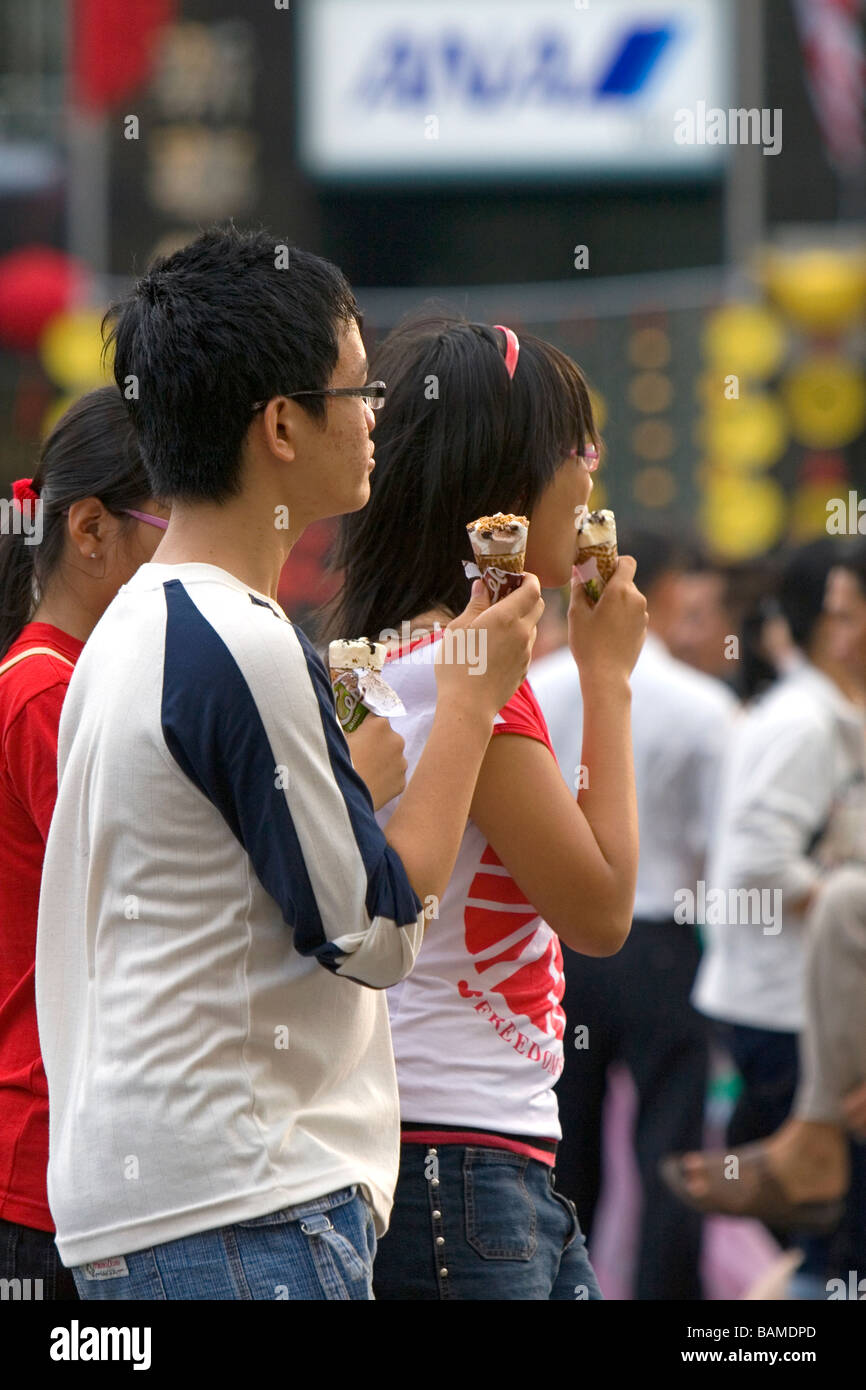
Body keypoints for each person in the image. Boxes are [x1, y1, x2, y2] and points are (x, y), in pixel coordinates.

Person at [34, 228, 541, 1302]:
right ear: (279, 423)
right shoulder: (242, 641)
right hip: (240, 1205)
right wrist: (467, 706)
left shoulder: (136, 623)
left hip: (161, 1205)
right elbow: (377, 931)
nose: (377, 418)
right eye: (355, 391)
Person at [325, 312, 648, 1300]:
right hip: (463, 1165)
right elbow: (598, 910)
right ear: (505, 488)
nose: (590, 475)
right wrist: (606, 679)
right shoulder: (466, 681)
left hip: (468, 1155)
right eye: (577, 448)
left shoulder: (407, 662)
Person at [532, 524, 738, 1300]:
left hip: (562, 947)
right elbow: (723, 849)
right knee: (671, 1153)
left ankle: (563, 1288)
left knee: (563, 1151)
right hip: (663, 944)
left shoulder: (538, 687)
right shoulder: (705, 705)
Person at [0, 387, 170, 1299]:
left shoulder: (72, 684)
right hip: (40, 1154)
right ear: (92, 529)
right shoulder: (46, 694)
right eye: (173, 529)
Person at [666, 540, 866, 1293]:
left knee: (835, 1234)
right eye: (840, 612)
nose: (848, 631)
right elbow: (755, 861)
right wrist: (844, 910)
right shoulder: (805, 723)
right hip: (786, 1006)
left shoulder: (831, 714)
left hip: (799, 1003)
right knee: (839, 1236)